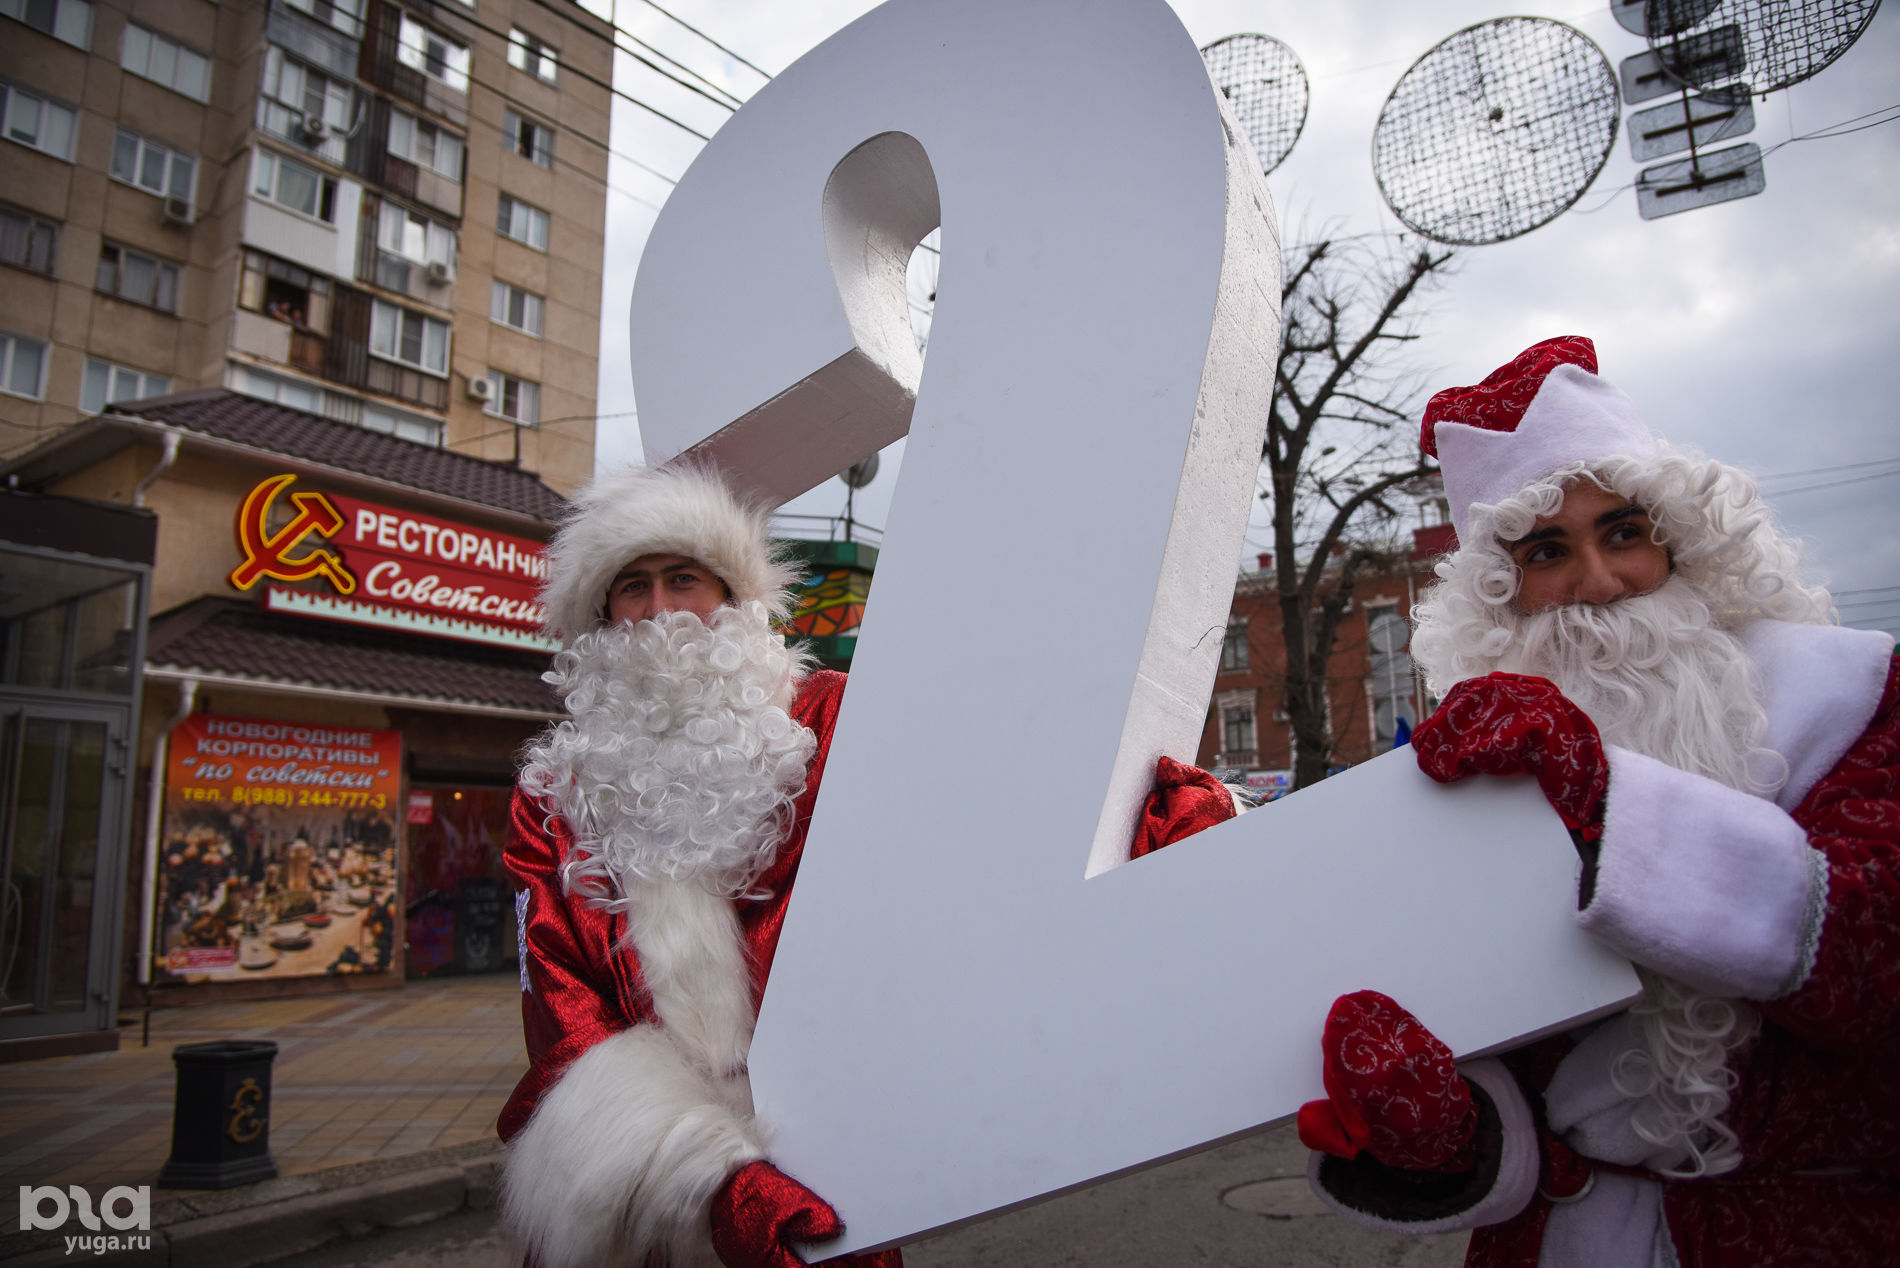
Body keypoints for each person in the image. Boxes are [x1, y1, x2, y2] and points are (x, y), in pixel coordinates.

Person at [498, 463, 1239, 1268]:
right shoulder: (558, 793)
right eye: (633, 588)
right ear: (603, 613)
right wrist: (702, 1179)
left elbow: (988, 813)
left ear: (736, 598)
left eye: (685, 579)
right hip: (649, 1211)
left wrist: (1145, 828)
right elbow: (564, 1015)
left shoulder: (833, 718)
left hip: (830, 1164)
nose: (663, 611)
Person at [1295, 337, 1900, 1266]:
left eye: (1623, 532)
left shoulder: (1851, 696)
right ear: (1505, 597)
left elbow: (1879, 959)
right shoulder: (1477, 765)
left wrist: (1610, 806)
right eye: (1547, 551)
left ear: (1680, 538)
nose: (1602, 581)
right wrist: (1451, 1135)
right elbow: (1498, 1057)